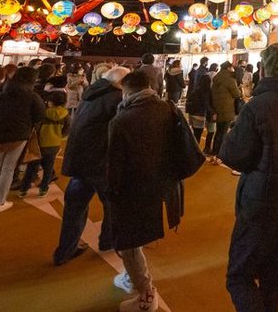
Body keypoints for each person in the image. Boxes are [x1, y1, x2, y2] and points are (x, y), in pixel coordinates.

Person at [219, 43, 278, 312]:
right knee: (272, 271)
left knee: (239, 276)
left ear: (263, 68)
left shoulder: (257, 107)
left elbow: (233, 155)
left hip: (259, 204)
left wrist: (233, 131)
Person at [107, 71, 179, 311]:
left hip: (132, 188)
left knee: (128, 240)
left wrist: (111, 192)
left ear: (126, 91)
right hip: (161, 184)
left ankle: (145, 294)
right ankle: (137, 281)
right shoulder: (167, 109)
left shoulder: (122, 120)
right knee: (135, 238)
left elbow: (115, 164)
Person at [53, 66, 130, 265]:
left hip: (79, 160)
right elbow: (123, 131)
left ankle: (65, 250)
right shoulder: (117, 100)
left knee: (74, 208)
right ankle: (108, 240)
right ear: (120, 83)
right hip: (101, 163)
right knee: (113, 205)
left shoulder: (91, 94)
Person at [0, 67, 45, 213]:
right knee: (8, 169)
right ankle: (0, 202)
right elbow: (40, 115)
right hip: (18, 136)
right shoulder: (32, 97)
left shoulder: (0, 96)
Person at [19, 91, 68, 198]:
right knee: (49, 168)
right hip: (54, 144)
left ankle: (23, 189)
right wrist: (59, 137)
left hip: (40, 143)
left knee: (32, 167)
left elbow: (36, 126)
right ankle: (43, 189)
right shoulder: (65, 115)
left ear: (50, 102)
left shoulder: (43, 113)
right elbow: (66, 130)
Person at [210, 61, 241, 164]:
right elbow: (237, 94)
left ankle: (214, 154)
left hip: (217, 108)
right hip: (227, 109)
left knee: (218, 132)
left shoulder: (216, 78)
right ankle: (220, 156)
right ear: (228, 68)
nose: (233, 69)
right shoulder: (230, 79)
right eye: (232, 68)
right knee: (223, 133)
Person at [185, 59, 213, 150]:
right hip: (199, 114)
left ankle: (191, 149)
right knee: (198, 134)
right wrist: (212, 112)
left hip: (192, 113)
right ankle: (194, 151)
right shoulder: (205, 92)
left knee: (194, 133)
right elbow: (205, 103)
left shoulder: (195, 90)